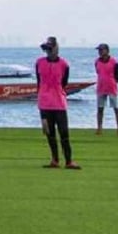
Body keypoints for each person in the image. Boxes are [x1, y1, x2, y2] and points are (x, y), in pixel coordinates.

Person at [36, 36, 80, 169]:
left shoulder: (64, 64)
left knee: (64, 133)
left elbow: (64, 83)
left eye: (51, 48)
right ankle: (54, 160)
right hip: (44, 102)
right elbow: (39, 82)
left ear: (56, 48)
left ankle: (68, 161)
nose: (49, 52)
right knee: (49, 133)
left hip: (59, 103)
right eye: (47, 49)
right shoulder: (39, 62)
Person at [94, 43, 118, 135]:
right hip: (101, 87)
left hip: (111, 88)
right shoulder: (97, 61)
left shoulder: (114, 62)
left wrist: (114, 81)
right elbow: (98, 72)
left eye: (102, 50)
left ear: (107, 51)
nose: (100, 52)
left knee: (115, 108)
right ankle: (99, 128)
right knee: (100, 109)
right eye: (99, 50)